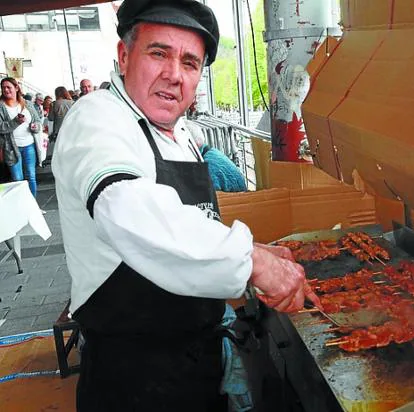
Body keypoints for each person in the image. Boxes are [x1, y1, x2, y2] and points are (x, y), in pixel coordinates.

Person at [52, 0, 321, 411]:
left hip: (197, 361)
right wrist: (252, 262)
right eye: (158, 53)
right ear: (124, 57)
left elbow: (186, 224)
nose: (174, 75)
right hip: (135, 381)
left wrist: (255, 250)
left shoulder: (183, 134)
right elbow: (128, 206)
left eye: (190, 63)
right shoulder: (98, 120)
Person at [0, 77, 42, 197]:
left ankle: (33, 207)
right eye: (3, 88)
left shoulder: (27, 104)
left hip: (29, 145)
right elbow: (1, 127)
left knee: (31, 176)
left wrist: (36, 127)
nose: (6, 90)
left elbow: (37, 121)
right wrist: (16, 122)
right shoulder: (1, 106)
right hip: (11, 148)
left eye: (9, 87)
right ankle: (22, 207)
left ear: (16, 88)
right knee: (18, 179)